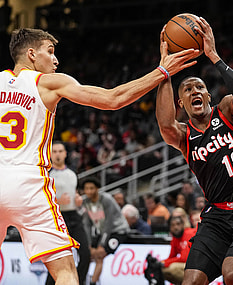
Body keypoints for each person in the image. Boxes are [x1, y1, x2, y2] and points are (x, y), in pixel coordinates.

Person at [0, 27, 198, 284]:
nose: (56, 60)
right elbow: (113, 99)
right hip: (28, 183)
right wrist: (162, 72)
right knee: (66, 273)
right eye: (50, 52)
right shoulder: (48, 83)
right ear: (31, 54)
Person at [156, 17, 233, 285]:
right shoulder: (184, 135)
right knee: (192, 282)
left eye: (200, 87)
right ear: (181, 102)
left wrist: (213, 56)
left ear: (208, 96)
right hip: (216, 215)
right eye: (188, 89)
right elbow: (164, 124)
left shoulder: (228, 111)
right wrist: (165, 71)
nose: (195, 90)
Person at [45, 141, 90, 285]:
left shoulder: (72, 173)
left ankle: (78, 282)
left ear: (65, 153)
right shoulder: (46, 174)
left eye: (60, 151)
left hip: (74, 216)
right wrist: (57, 201)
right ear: (50, 155)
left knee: (85, 254)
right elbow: (40, 199)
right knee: (57, 260)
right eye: (54, 152)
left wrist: (78, 199)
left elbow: (74, 192)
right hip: (57, 219)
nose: (57, 154)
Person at [81, 177, 130, 285]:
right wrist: (89, 244)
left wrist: (101, 245)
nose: (89, 191)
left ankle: (92, 283)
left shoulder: (106, 199)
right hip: (102, 232)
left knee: (100, 253)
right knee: (87, 254)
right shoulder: (85, 202)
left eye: (91, 188)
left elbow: (109, 223)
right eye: (86, 189)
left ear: (97, 189)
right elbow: (87, 224)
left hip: (118, 231)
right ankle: (83, 280)